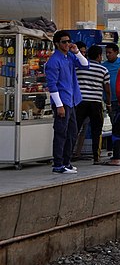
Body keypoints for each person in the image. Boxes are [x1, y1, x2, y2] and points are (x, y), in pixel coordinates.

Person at [45, 30, 89, 173]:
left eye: (68, 41)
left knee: (72, 132)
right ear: (57, 43)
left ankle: (66, 162)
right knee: (61, 133)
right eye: (64, 42)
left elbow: (85, 64)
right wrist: (59, 105)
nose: (67, 44)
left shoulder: (69, 56)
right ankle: (58, 164)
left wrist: (76, 52)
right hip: (62, 101)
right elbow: (52, 85)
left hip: (71, 100)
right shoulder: (53, 61)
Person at [74, 45, 111, 165]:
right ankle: (96, 157)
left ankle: (68, 154)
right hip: (95, 103)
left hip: (80, 102)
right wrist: (108, 103)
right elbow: (107, 90)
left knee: (75, 128)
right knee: (97, 130)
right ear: (100, 56)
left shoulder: (78, 68)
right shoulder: (103, 70)